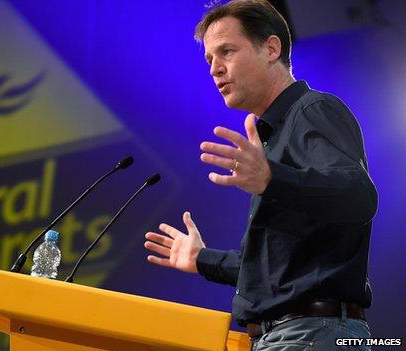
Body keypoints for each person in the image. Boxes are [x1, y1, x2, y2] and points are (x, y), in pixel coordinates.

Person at [143, 1, 378, 350]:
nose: (214, 69)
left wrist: (274, 179)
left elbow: (359, 195)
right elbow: (276, 273)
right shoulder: (273, 141)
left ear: (271, 48)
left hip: (312, 334)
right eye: (209, 59)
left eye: (226, 51)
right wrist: (200, 259)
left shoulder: (313, 110)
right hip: (288, 335)